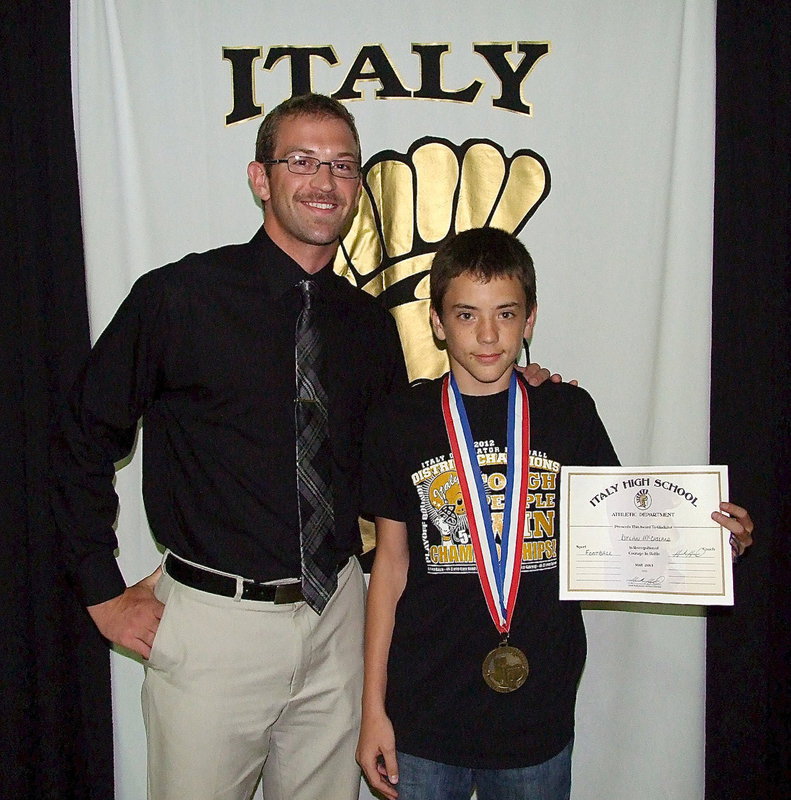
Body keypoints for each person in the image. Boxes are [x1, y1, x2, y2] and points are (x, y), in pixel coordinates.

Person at [356, 227, 754, 800]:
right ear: (437, 324)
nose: (488, 335)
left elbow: (627, 532)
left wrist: (712, 541)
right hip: (422, 711)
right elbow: (389, 569)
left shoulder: (567, 412)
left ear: (531, 319)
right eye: (466, 315)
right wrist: (373, 707)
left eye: (506, 314)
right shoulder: (401, 420)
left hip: (535, 715)